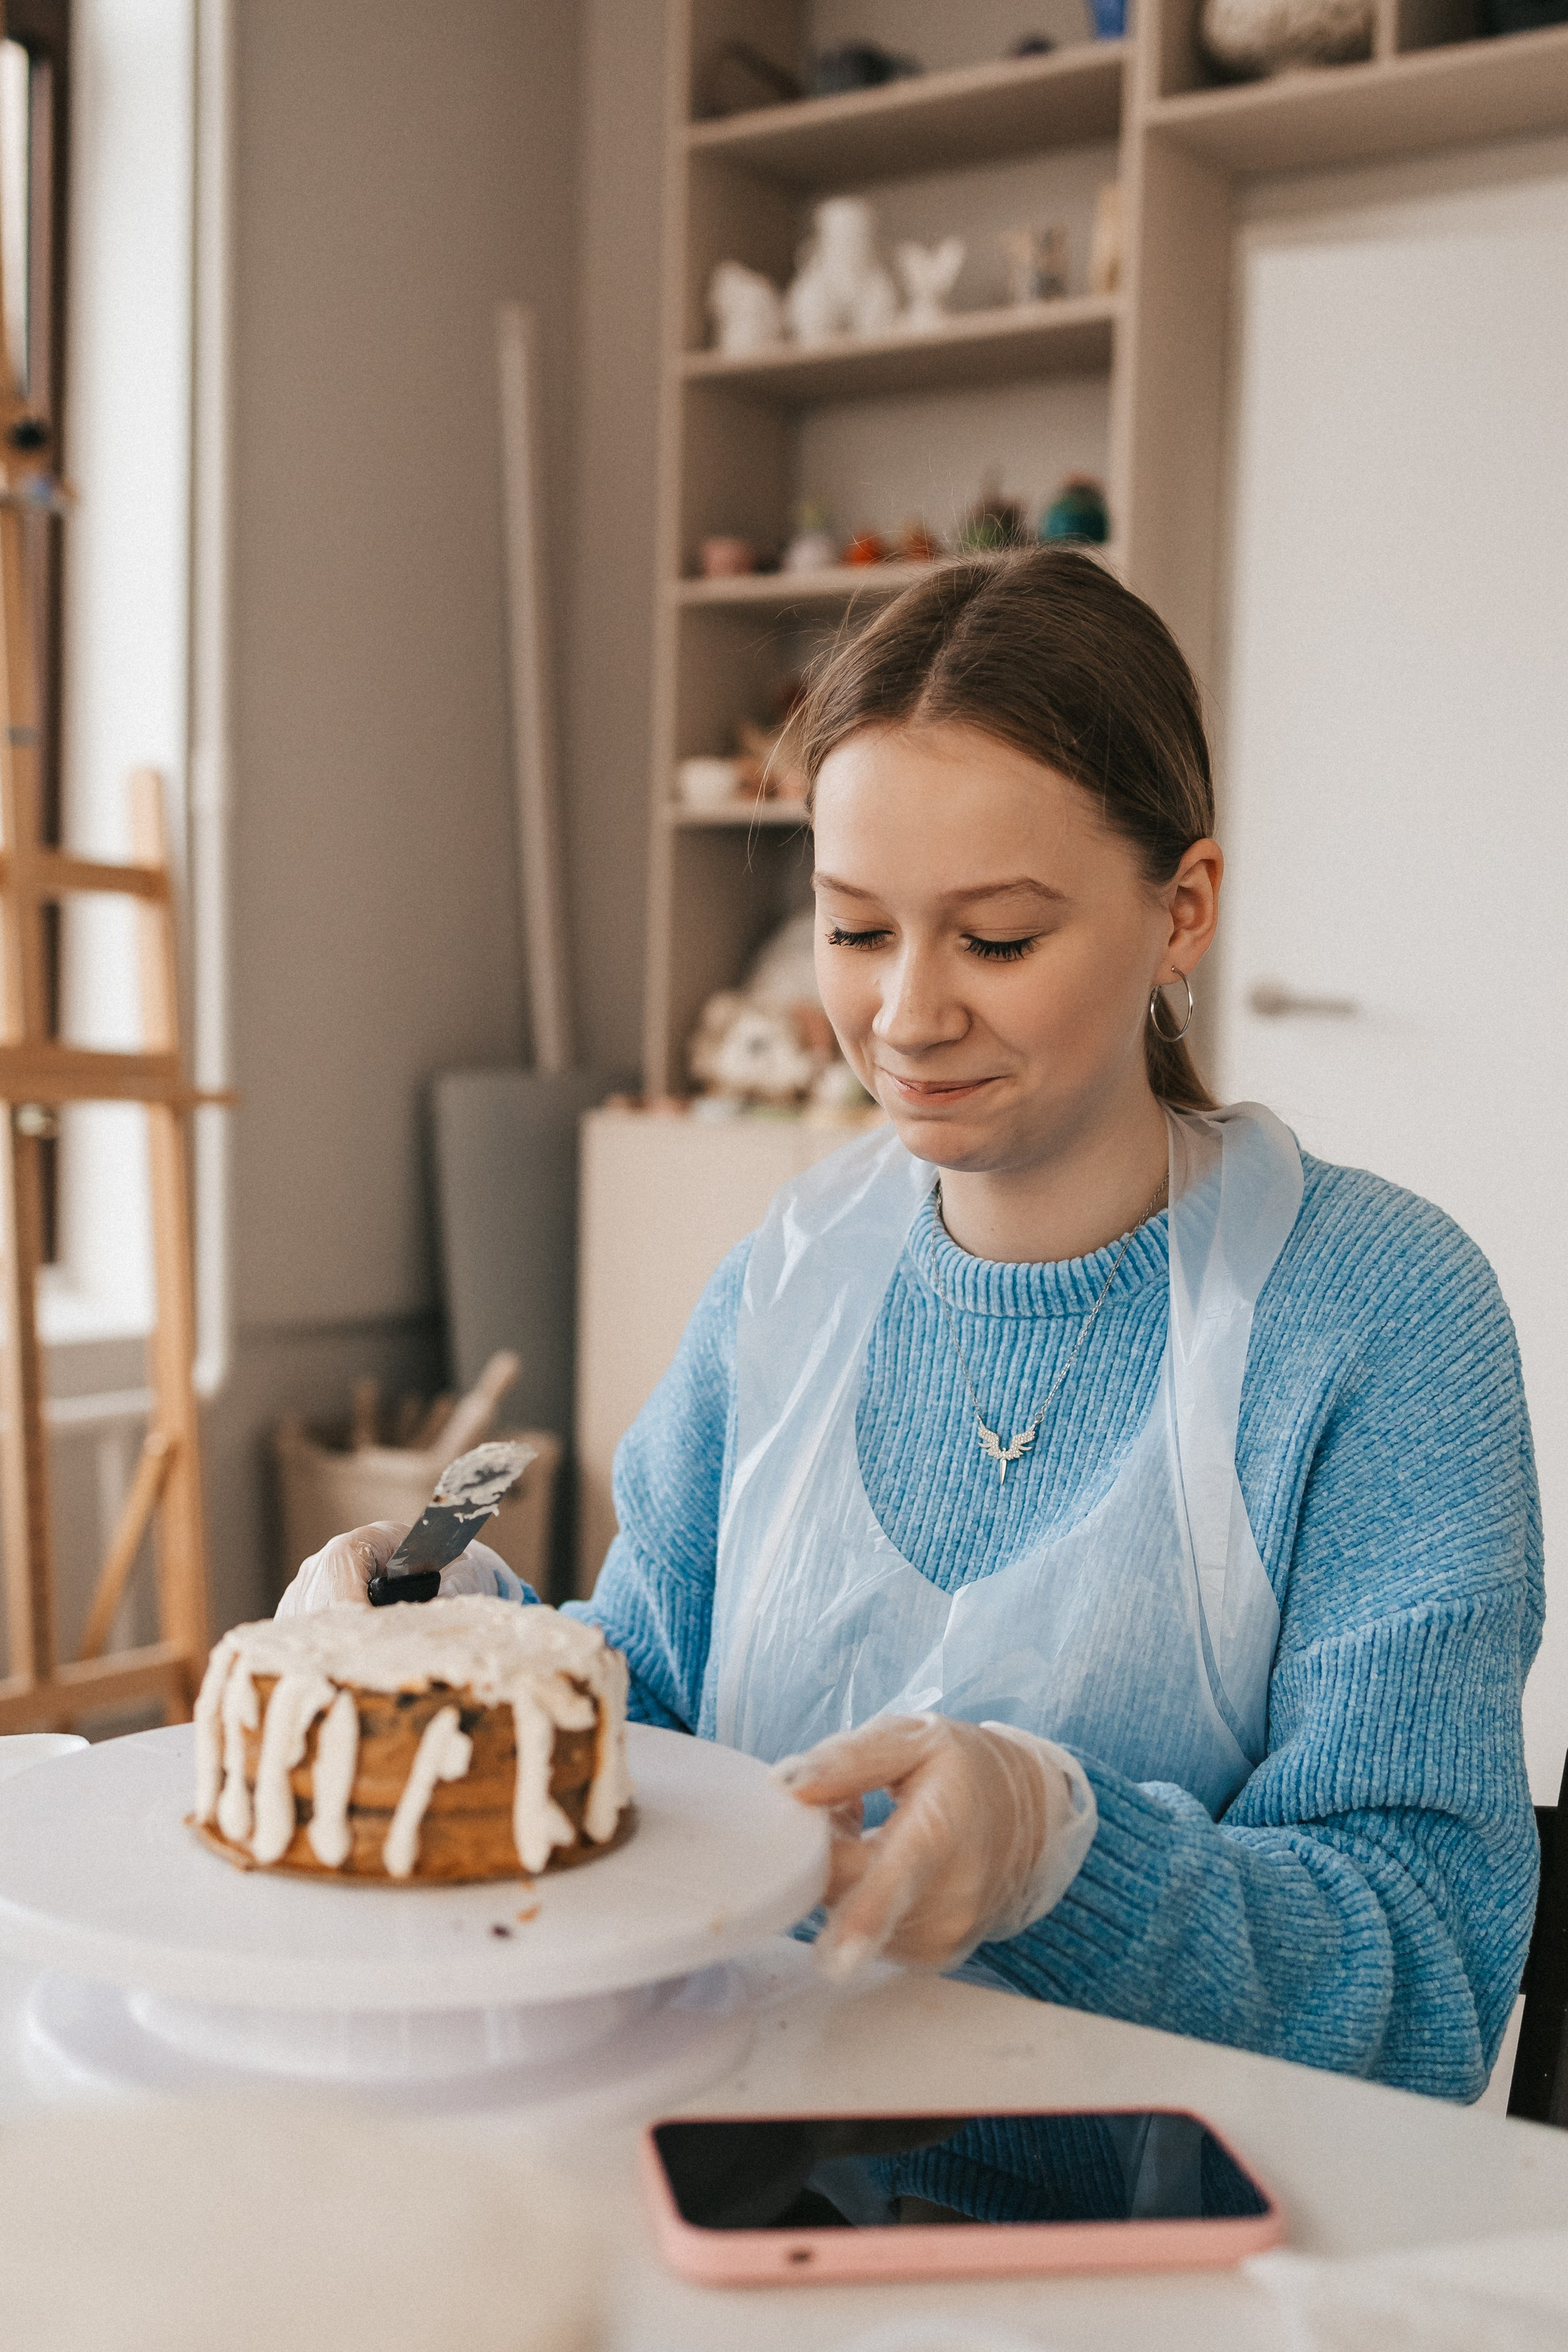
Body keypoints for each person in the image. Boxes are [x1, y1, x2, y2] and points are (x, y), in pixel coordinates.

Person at [284, 550, 1542, 2106]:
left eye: (995, 939)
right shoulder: (781, 1282)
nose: (902, 1016)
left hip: (1170, 2252)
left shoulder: (1377, 1322)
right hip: (729, 2168)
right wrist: (465, 1631)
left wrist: (1060, 1855)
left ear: (1181, 913)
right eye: (854, 929)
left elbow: (1423, 1976)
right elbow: (651, 1717)